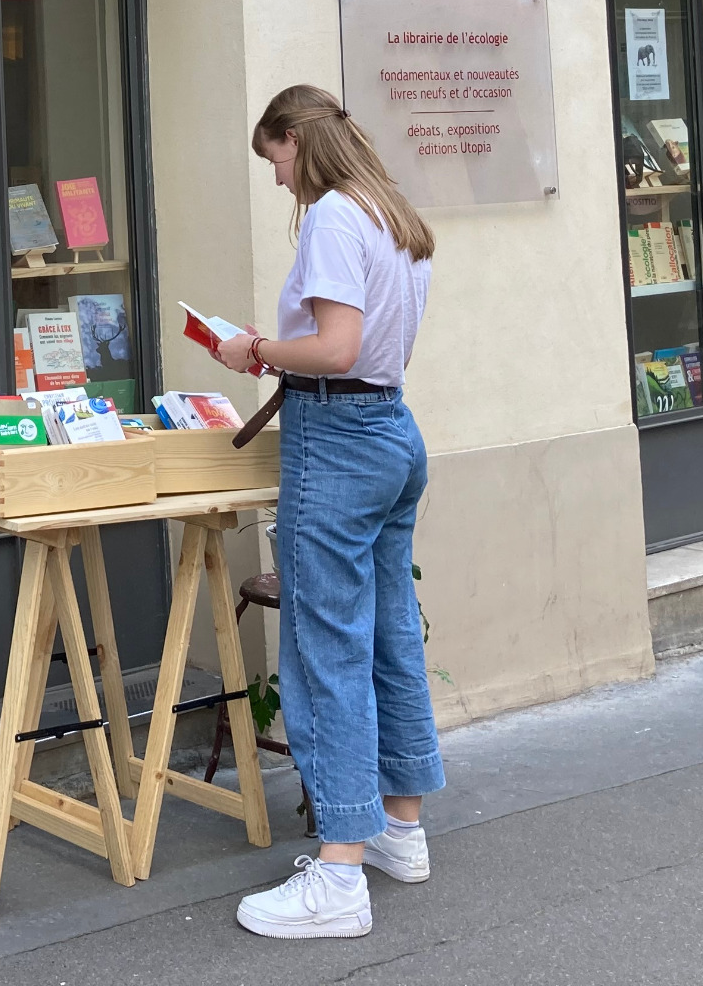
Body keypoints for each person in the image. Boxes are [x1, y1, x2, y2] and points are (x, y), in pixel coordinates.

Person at [215, 83, 442, 941]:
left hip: (337, 439)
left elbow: (336, 346)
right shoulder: (392, 212)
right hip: (390, 429)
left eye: (274, 160)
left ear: (298, 142)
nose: (277, 180)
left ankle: (341, 870)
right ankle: (400, 829)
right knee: (387, 632)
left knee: (324, 646)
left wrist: (255, 349)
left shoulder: (334, 217)